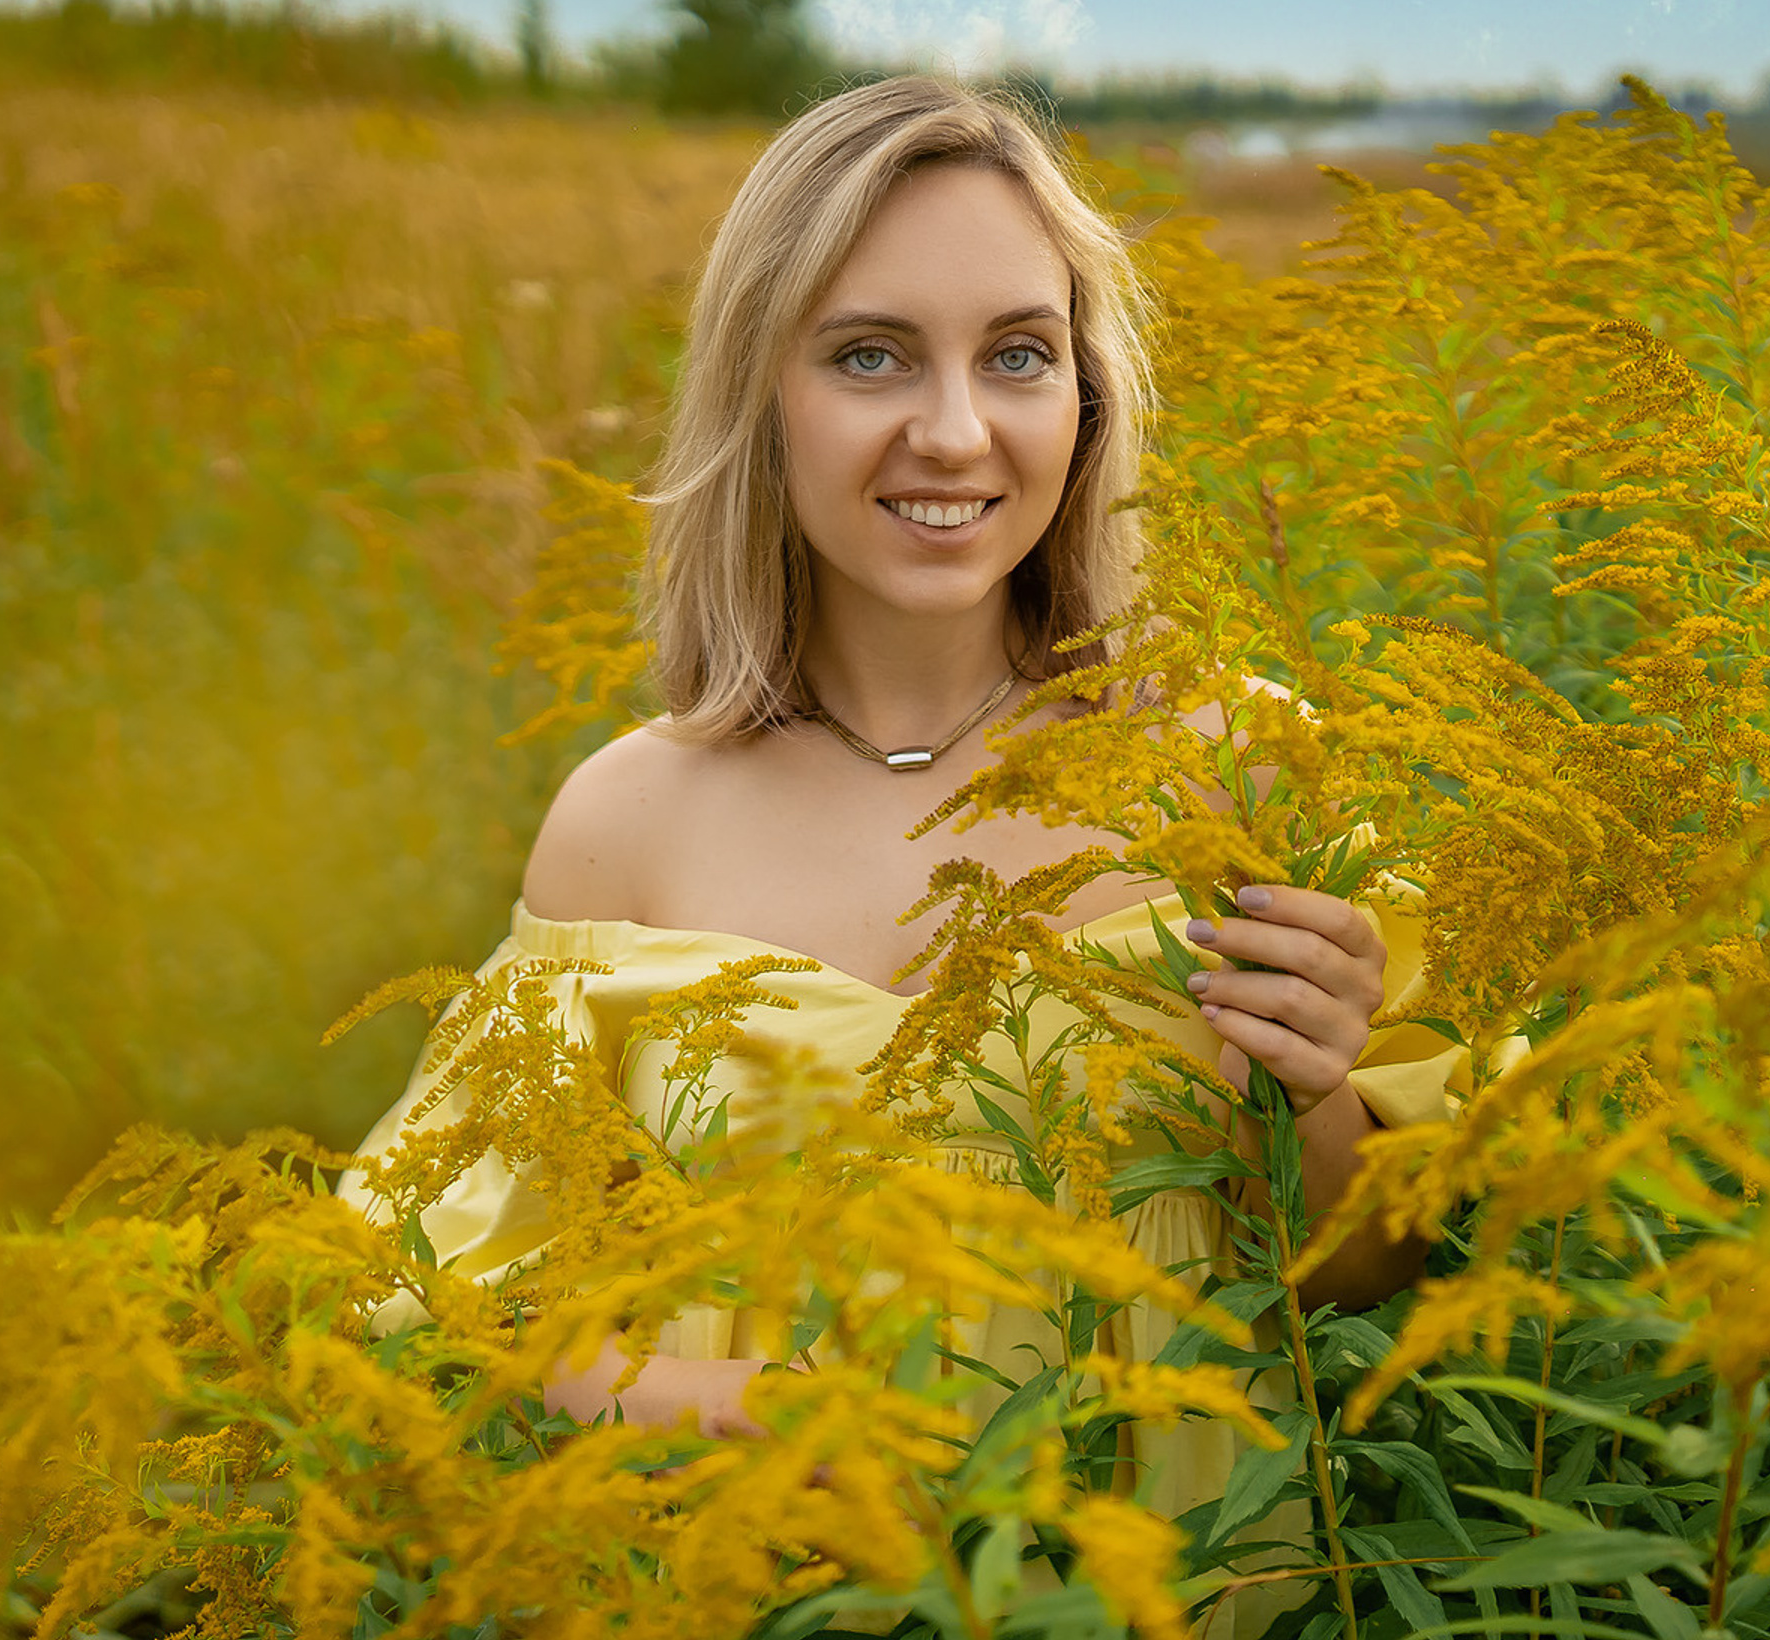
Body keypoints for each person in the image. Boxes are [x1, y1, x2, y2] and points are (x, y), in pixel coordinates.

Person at [341, 75, 1458, 1541]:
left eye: (1016, 356)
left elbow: (1377, 1269)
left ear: (1087, 395)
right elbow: (448, 1310)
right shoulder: (628, 822)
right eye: (871, 357)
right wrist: (727, 1412)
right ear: (762, 392)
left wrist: (1318, 1087)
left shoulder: (1237, 771)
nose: (953, 432)